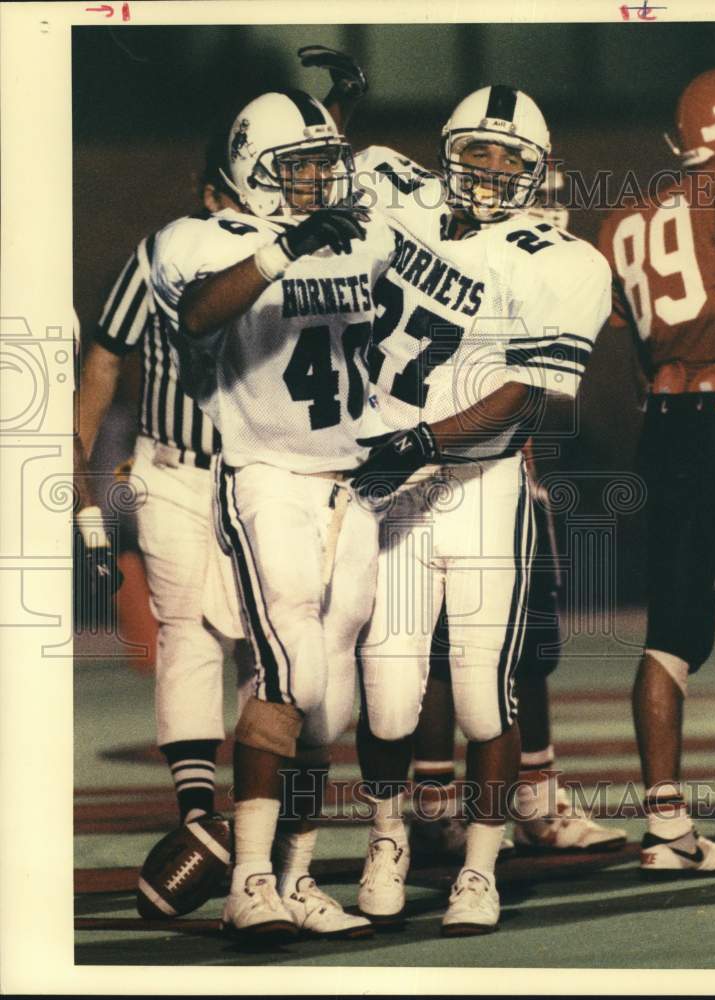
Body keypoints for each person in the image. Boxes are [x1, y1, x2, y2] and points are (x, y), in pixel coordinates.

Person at [345, 85, 612, 935]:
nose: (493, 171)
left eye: (512, 158)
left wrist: (425, 443)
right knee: (386, 697)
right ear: (445, 149)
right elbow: (303, 199)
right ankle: (388, 836)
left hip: (480, 486)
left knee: (482, 695)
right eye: (478, 151)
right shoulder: (393, 187)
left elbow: (535, 399)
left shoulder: (560, 258)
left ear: (538, 172)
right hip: (390, 491)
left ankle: (479, 867)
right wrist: (332, 119)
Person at [155, 88, 399, 940]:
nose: (313, 182)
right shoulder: (203, 241)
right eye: (293, 169)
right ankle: (247, 881)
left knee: (330, 701)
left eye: (321, 166)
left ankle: (293, 876)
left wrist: (331, 133)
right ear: (250, 171)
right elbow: (193, 315)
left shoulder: (359, 226)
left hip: (353, 481)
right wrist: (283, 250)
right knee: (287, 673)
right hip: (265, 477)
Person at [75, 133, 256, 834]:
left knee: (285, 648)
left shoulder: (306, 252)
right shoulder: (164, 251)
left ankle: (270, 819)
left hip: (273, 476)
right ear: (209, 192)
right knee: (188, 633)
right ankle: (199, 815)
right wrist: (82, 484)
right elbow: (103, 362)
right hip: (175, 466)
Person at [596, 68, 715, 877]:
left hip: (668, 421)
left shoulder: (625, 216)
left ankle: (666, 823)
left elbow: (632, 345)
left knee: (673, 633)